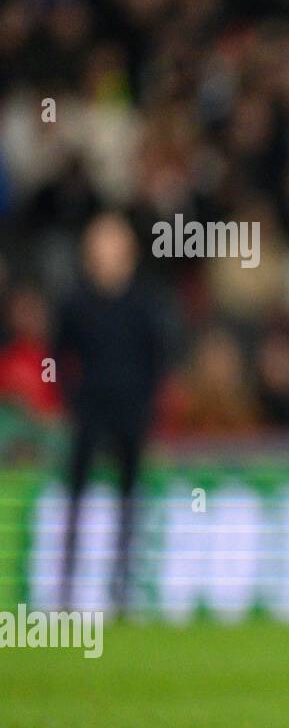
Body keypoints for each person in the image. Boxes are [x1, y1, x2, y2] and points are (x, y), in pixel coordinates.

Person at [56, 213, 166, 615]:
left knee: (127, 498)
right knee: (76, 498)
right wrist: (70, 400)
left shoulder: (143, 304)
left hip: (130, 413)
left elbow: (158, 358)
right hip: (89, 412)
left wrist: (146, 403)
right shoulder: (75, 302)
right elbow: (58, 355)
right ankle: (67, 588)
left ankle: (122, 587)